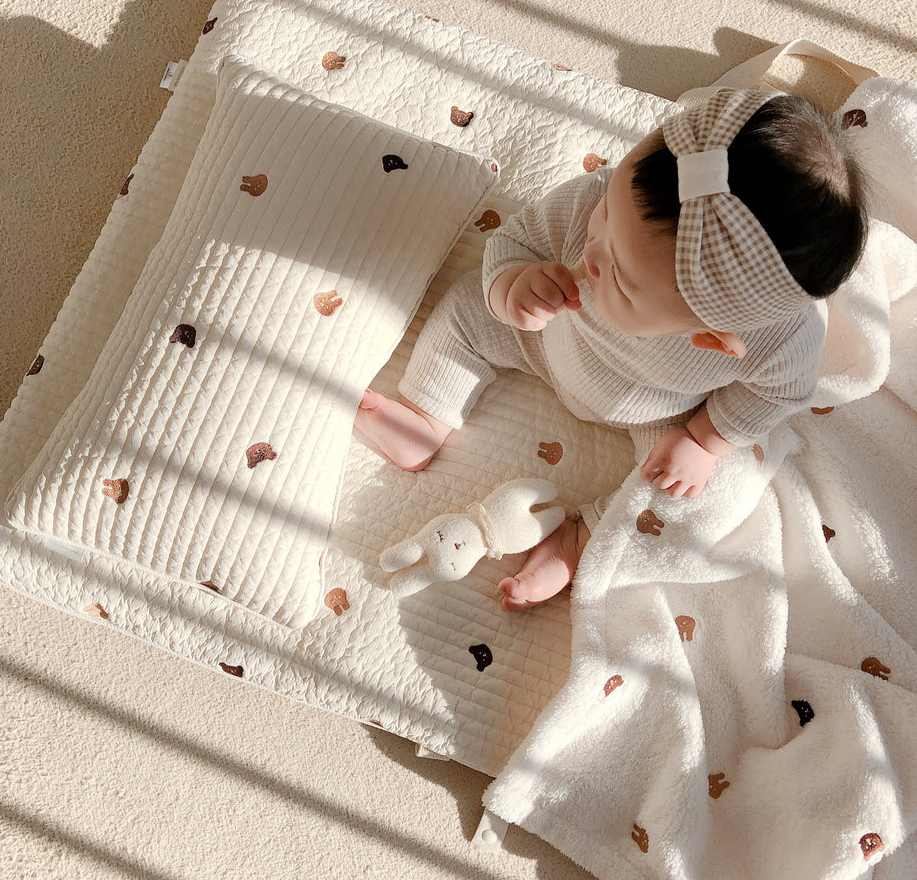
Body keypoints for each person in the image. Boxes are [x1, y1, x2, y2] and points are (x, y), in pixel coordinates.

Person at [355, 89, 867, 610]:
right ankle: (426, 413)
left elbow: (776, 394)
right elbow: (519, 238)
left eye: (620, 277)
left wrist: (703, 439)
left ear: (711, 338)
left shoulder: (781, 341)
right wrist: (513, 284)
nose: (592, 253)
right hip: (549, 338)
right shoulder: (607, 198)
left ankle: (581, 538)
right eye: (605, 216)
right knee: (469, 306)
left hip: (659, 411)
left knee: (714, 494)